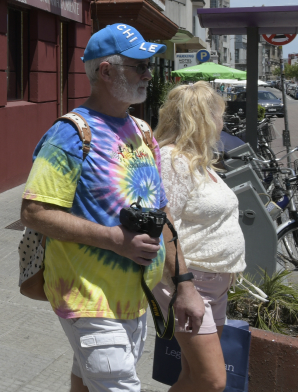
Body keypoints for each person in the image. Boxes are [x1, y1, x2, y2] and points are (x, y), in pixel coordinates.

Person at [21, 24, 205, 392]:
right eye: (139, 66)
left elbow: (163, 214)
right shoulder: (70, 134)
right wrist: (115, 240)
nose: (148, 75)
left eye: (149, 65)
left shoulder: (141, 132)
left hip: (135, 298)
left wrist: (184, 285)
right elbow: (35, 212)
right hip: (88, 298)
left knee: (86, 385)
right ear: (106, 71)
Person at [152, 82, 245, 392]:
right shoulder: (173, 160)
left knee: (192, 376)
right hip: (192, 283)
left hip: (214, 283)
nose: (223, 123)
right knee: (212, 380)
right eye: (220, 115)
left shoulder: (197, 160)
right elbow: (165, 224)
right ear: (202, 117)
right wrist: (183, 285)